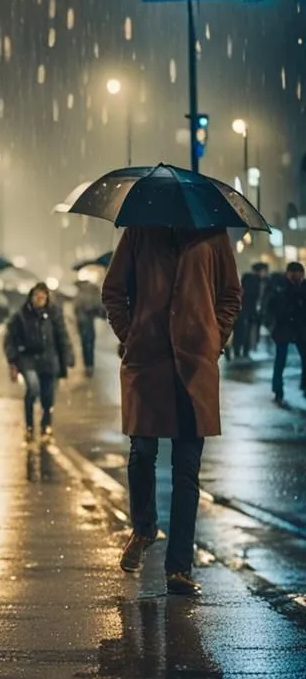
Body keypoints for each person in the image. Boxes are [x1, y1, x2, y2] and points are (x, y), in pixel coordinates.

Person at [102, 227, 241, 596]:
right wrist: (130, 334)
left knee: (186, 472)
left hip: (195, 365)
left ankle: (178, 568)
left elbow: (230, 293)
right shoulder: (139, 233)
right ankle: (145, 527)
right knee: (142, 453)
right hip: (148, 362)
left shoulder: (213, 234)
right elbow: (113, 290)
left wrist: (215, 336)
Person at [4, 282, 75, 443]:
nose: (40, 299)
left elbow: (62, 336)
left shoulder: (54, 314)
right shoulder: (21, 316)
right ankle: (29, 425)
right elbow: (10, 339)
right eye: (37, 295)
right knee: (33, 387)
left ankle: (46, 424)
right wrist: (13, 359)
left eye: (43, 296)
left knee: (48, 396)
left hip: (49, 360)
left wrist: (68, 356)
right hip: (28, 359)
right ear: (31, 297)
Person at [265, 261, 306, 404]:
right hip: (285, 328)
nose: (296, 277)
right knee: (280, 360)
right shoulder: (279, 287)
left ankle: (300, 387)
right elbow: (271, 307)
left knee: (294, 359)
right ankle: (278, 389)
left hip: (300, 328)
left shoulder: (295, 287)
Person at [231, 262, 269, 358]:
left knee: (242, 332)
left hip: (246, 310)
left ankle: (240, 351)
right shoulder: (254, 280)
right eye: (264, 271)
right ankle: (243, 351)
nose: (265, 273)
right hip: (248, 310)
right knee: (246, 332)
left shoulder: (252, 280)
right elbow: (253, 296)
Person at [73, 277, 104, 376]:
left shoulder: (82, 292)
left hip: (83, 322)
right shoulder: (92, 290)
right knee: (89, 343)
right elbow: (98, 306)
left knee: (86, 344)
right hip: (88, 322)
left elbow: (76, 307)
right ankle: (89, 365)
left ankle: (88, 366)